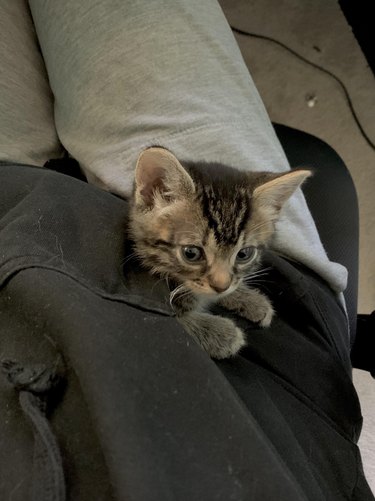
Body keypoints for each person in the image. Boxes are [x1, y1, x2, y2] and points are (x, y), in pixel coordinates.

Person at [0, 1, 373, 499]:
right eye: (197, 255)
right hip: (297, 380)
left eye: (242, 257)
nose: (222, 281)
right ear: (153, 192)